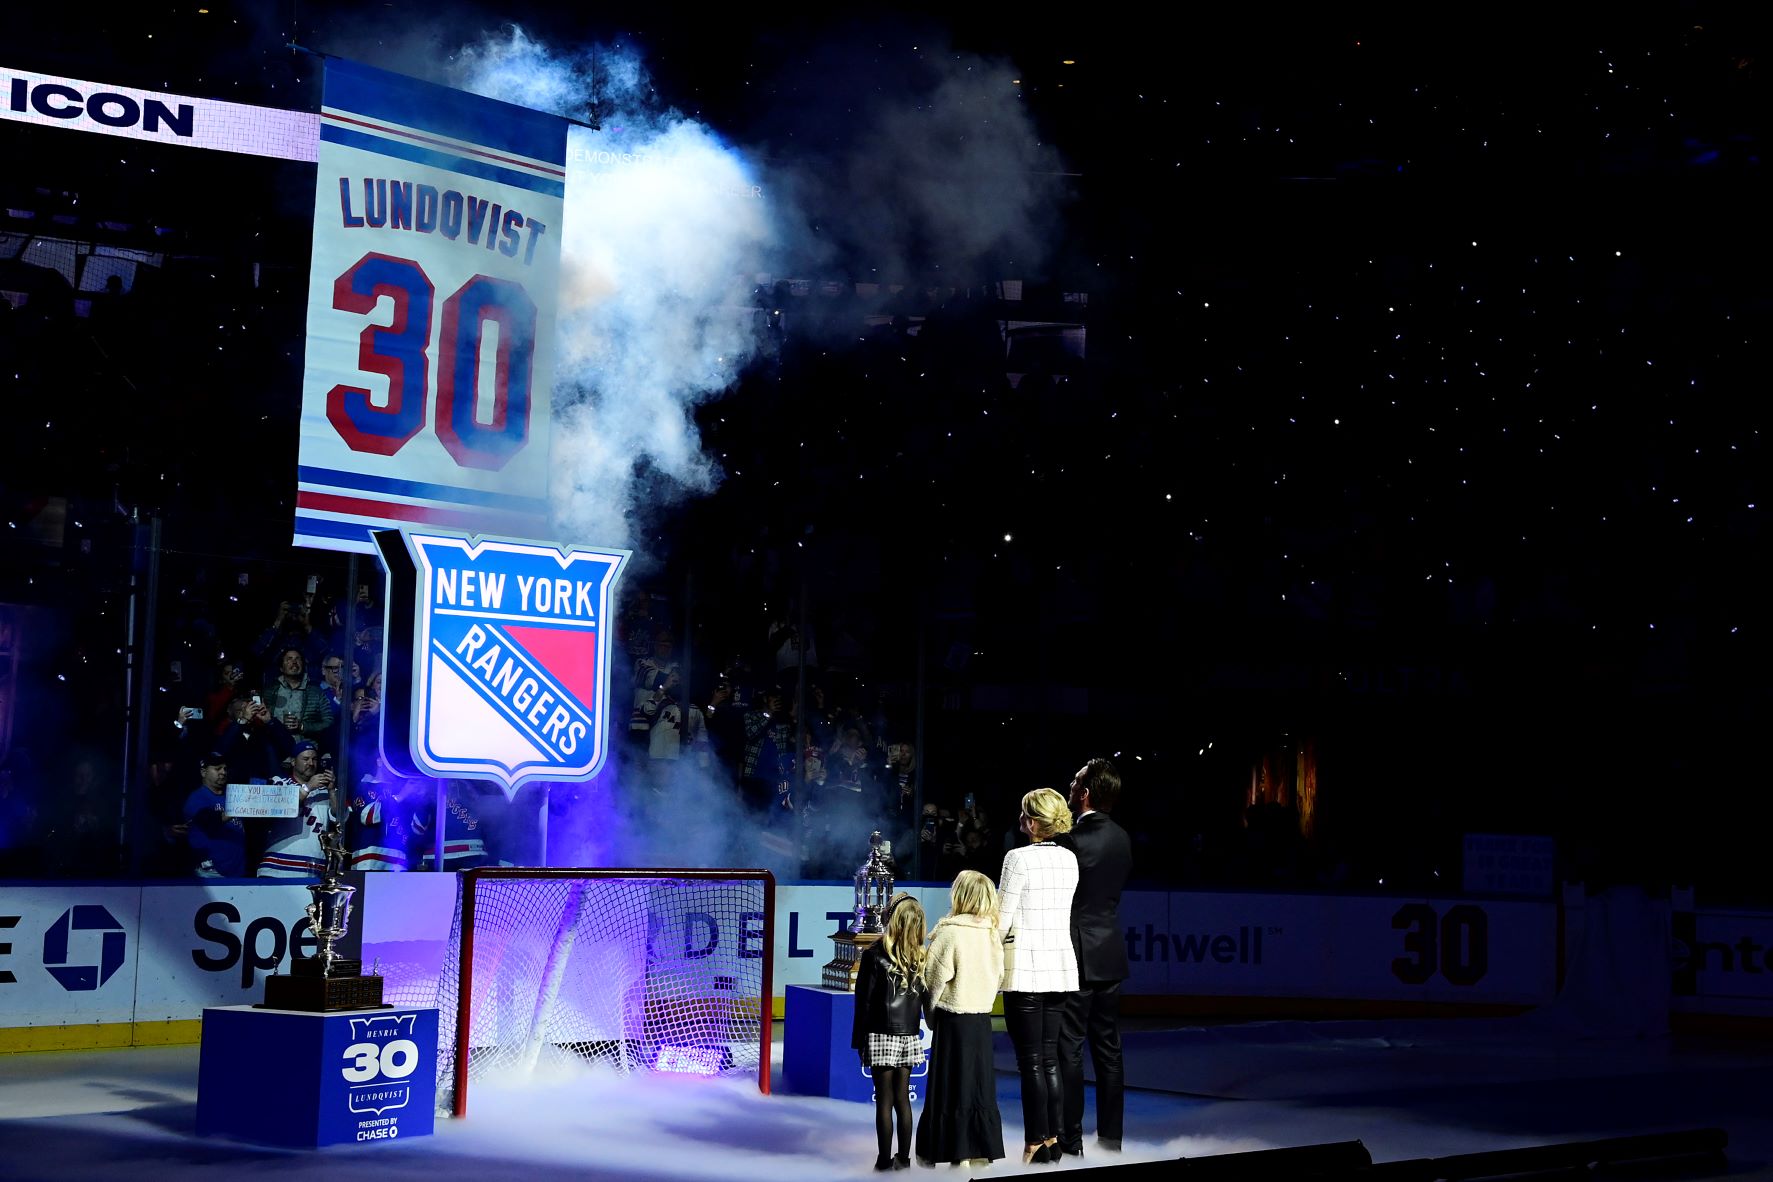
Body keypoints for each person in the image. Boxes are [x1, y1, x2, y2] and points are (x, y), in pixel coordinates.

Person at [998, 787, 1080, 1166]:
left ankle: (1035, 1142)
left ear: (1032, 823)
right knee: (1049, 1060)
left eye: (1022, 814)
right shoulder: (1070, 860)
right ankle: (1052, 1139)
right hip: (1060, 968)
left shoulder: (1017, 858)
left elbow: (1002, 918)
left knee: (1031, 1062)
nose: (1019, 821)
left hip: (1026, 972)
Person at [1055, 757, 1132, 1157]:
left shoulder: (1071, 840)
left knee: (1068, 1046)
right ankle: (1111, 1141)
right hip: (1110, 953)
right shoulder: (1123, 837)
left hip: (1077, 956)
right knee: (1108, 1049)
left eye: (1075, 780)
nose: (1070, 785)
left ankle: (1071, 1142)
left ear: (1084, 794)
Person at [915, 870, 1006, 1168]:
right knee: (978, 1087)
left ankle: (954, 1151)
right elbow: (999, 977)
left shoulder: (950, 931)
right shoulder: (992, 933)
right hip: (980, 1021)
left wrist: (930, 1016)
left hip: (954, 1022)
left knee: (951, 1087)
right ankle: (978, 1148)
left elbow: (933, 981)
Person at [850, 892, 928, 1171]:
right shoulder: (920, 957)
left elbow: (865, 1002)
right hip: (908, 1034)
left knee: (883, 1100)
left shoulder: (874, 954)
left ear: (891, 920)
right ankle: (904, 1160)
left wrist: (859, 1041)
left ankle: (884, 1160)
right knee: (902, 1098)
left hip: (880, 1033)